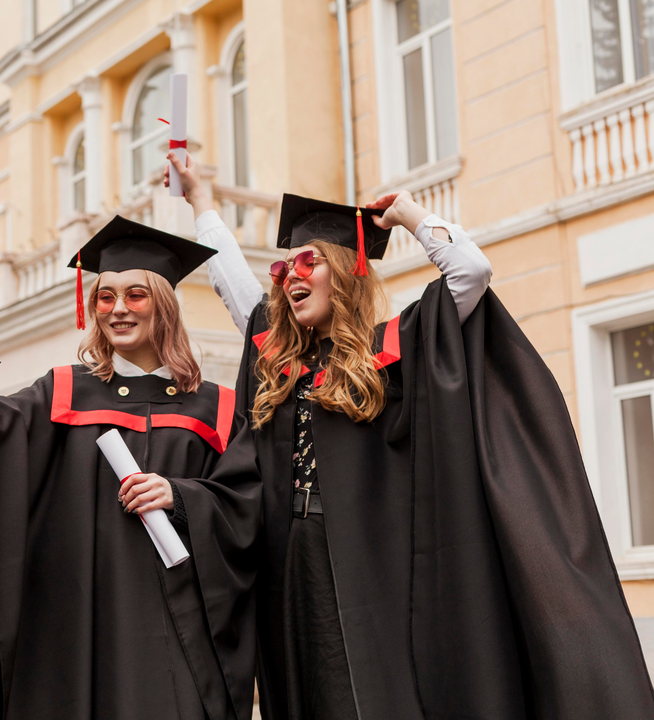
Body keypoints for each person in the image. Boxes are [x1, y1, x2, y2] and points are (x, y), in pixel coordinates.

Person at [167, 151, 654, 719]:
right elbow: (234, 288)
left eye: (306, 263)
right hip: (290, 557)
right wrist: (200, 200)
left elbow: (470, 273)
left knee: (374, 693)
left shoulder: (392, 350)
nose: (288, 277)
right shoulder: (279, 363)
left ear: (347, 269)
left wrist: (410, 215)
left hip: (374, 559)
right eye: (281, 271)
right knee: (306, 694)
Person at [0, 217, 262, 720]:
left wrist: (181, 497)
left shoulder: (215, 407)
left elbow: (247, 505)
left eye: (136, 295)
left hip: (175, 626)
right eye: (105, 297)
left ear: (164, 304)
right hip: (73, 622)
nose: (118, 310)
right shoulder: (62, 391)